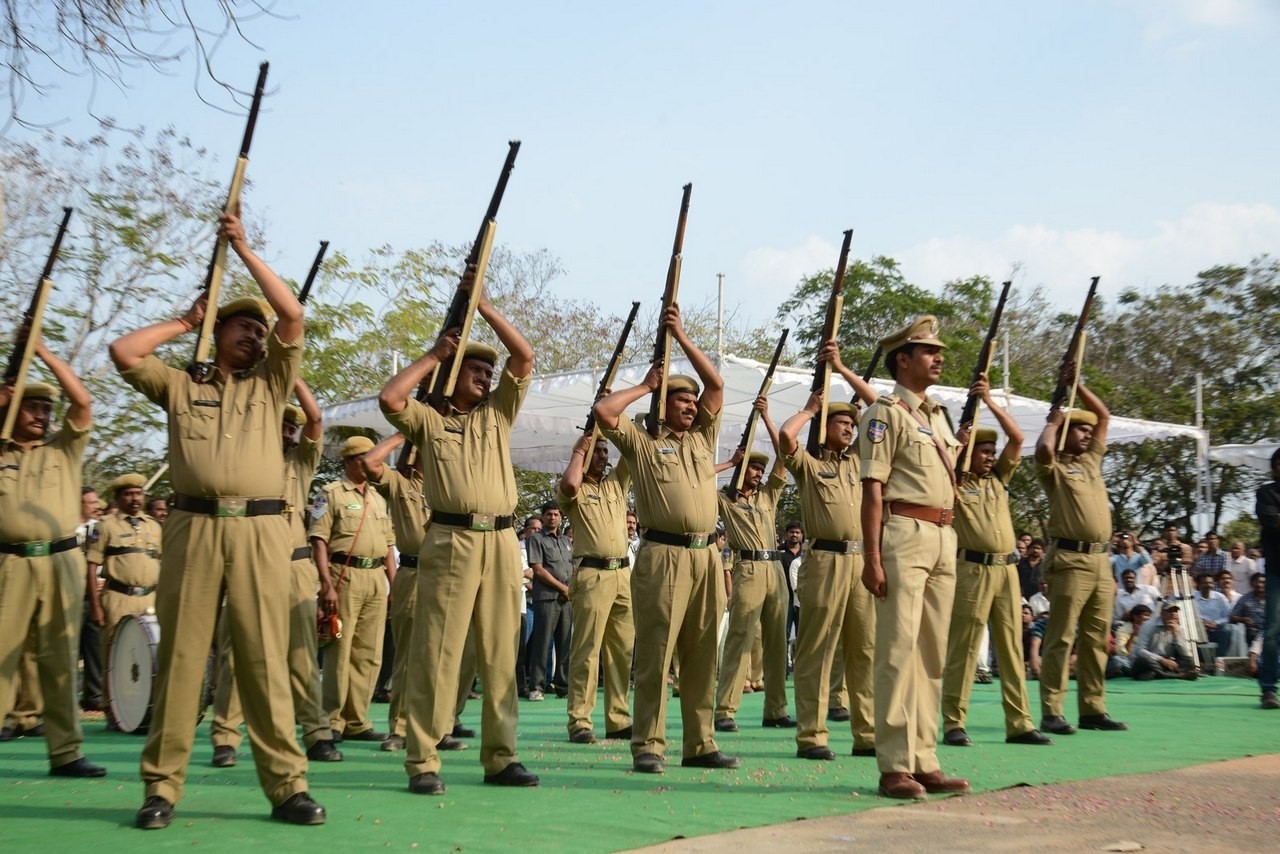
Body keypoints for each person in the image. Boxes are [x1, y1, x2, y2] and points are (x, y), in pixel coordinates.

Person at [110, 211, 324, 828]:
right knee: (181, 656)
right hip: (193, 526)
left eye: (260, 331)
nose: (257, 337)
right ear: (217, 332)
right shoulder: (181, 386)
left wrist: (246, 249)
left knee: (262, 656)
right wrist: (184, 321)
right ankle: (162, 789)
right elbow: (124, 351)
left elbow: (294, 318)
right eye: (243, 328)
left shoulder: (273, 383)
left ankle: (287, 786)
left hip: (260, 530)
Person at [379, 277, 539, 794]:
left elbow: (524, 355)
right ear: (453, 374)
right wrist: (433, 355)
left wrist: (485, 306)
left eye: (488, 372)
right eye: (474, 369)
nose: (486, 376)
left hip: (501, 541)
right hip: (449, 540)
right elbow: (391, 397)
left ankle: (501, 757)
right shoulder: (428, 420)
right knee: (438, 652)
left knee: (499, 653)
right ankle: (422, 758)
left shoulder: (498, 413)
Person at [592, 303, 738, 775]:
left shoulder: (701, 439)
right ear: (662, 406)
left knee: (701, 655)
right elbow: (604, 411)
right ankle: (648, 745)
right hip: (663, 555)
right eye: (681, 399)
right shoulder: (643, 443)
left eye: (692, 401)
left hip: (706, 555)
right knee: (656, 653)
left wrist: (683, 335)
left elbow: (716, 386)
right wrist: (646, 386)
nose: (692, 404)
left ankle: (700, 744)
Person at [858, 315, 968, 800]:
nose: (938, 357)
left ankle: (925, 759)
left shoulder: (939, 416)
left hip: (944, 534)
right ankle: (894, 765)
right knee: (898, 651)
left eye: (937, 350)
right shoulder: (884, 413)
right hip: (903, 532)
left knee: (931, 655)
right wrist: (872, 556)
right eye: (927, 350)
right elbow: (872, 490)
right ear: (903, 359)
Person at [209, 381, 340, 766]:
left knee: (301, 653)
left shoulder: (300, 463)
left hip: (294, 565)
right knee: (235, 656)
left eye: (290, 429)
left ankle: (315, 733)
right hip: (248, 564)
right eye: (279, 426)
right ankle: (225, 738)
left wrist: (290, 373)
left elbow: (315, 418)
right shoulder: (240, 459)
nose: (286, 433)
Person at [0, 342, 104, 779]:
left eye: (46, 409)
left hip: (61, 561)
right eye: (32, 407)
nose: (42, 415)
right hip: (11, 563)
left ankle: (65, 753)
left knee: (60, 660)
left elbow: (81, 401)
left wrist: (40, 352)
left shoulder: (64, 448)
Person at [780, 340, 880, 762]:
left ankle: (867, 733)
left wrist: (840, 366)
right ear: (825, 428)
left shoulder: (859, 460)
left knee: (865, 649)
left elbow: (884, 410)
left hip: (859, 560)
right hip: (823, 560)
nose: (850, 429)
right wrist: (810, 409)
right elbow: (786, 437)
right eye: (842, 423)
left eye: (852, 425)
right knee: (817, 649)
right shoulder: (809, 465)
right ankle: (812, 736)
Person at [941, 375, 1052, 749]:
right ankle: (953, 722)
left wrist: (988, 402)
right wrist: (958, 443)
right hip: (971, 568)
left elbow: (1019, 439)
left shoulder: (999, 479)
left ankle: (1019, 723)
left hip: (1007, 570)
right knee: (966, 647)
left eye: (992, 452)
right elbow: (943, 467)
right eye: (984, 451)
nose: (991, 456)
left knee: (1010, 647)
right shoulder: (953, 482)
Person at [1034, 362, 1127, 737]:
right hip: (1070, 560)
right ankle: (1052, 711)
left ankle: (1093, 708)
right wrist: (1054, 422)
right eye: (1081, 430)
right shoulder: (1053, 468)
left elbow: (1104, 416)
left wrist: (1079, 384)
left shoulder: (1091, 461)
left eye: (1090, 431)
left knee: (1096, 639)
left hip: (1101, 560)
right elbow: (1042, 449)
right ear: (1067, 433)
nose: (1088, 435)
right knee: (1061, 638)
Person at [714, 395, 794, 736]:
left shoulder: (767, 496)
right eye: (753, 467)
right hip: (746, 568)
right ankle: (725, 710)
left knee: (775, 643)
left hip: (774, 569)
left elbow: (786, 455)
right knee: (740, 640)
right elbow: (698, 477)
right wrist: (727, 465)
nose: (759, 473)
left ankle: (775, 709)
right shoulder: (725, 499)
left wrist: (768, 419)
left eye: (761, 469)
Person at [309, 435, 395, 743]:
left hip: (375, 577)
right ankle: (332, 720)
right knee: (340, 650)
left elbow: (388, 545)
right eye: (365, 458)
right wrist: (325, 584)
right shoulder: (330, 493)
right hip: (342, 575)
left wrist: (393, 583)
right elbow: (319, 540)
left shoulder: (379, 498)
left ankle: (357, 719)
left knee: (369, 653)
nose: (374, 463)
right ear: (349, 461)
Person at [558, 432, 635, 743]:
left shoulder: (617, 482)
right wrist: (580, 450)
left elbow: (632, 449)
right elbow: (570, 486)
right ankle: (580, 721)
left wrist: (606, 423)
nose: (604, 456)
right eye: (598, 451)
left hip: (622, 575)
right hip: (591, 573)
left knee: (622, 652)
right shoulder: (574, 488)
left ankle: (618, 719)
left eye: (605, 450)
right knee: (587, 651)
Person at [85, 472, 163, 731]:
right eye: (128, 494)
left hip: (149, 597)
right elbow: (92, 564)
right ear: (118, 498)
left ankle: (144, 710)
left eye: (138, 493)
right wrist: (96, 605)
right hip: (118, 597)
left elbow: (161, 561)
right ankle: (113, 712)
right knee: (114, 656)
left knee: (150, 655)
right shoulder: (105, 526)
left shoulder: (153, 525)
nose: (135, 498)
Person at [526, 500, 574, 701]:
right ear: (543, 516)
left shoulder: (565, 541)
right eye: (549, 514)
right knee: (542, 642)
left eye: (556, 514)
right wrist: (563, 587)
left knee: (565, 643)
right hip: (547, 598)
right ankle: (537, 686)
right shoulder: (536, 539)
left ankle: (562, 685)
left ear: (561, 517)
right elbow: (538, 570)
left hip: (567, 600)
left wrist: (571, 588)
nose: (552, 517)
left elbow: (570, 567)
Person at [1256, 449, 1280, 710]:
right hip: (1277, 571)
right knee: (1272, 632)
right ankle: (1268, 689)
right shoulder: (1266, 493)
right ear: (1274, 467)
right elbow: (1273, 524)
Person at [1131, 605, 1198, 680]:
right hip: (1149, 661)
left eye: (1175, 611)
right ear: (1162, 613)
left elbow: (1185, 654)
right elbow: (1140, 651)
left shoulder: (1179, 628)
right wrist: (1162, 660)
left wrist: (1176, 635)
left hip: (1164, 664)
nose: (1173, 614)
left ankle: (1157, 674)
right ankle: (1177, 676)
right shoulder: (1148, 625)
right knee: (1144, 660)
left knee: (1189, 660)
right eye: (1169, 611)